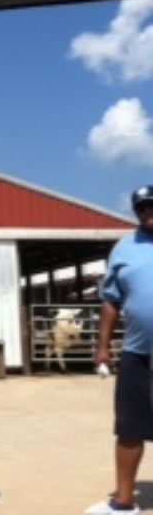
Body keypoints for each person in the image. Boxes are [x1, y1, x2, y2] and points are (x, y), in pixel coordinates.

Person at [85, 186, 153, 515]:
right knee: (129, 429)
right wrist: (103, 348)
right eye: (142, 208)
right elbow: (111, 300)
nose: (149, 212)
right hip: (137, 355)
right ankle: (124, 502)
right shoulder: (125, 248)